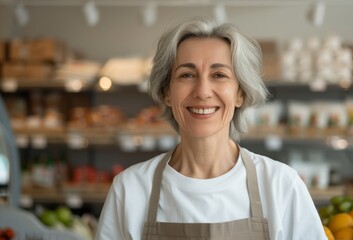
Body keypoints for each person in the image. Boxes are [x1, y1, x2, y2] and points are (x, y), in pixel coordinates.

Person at [95, 18, 327, 240]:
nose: (203, 91)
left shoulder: (281, 186)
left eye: (219, 75)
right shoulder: (130, 190)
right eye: (187, 74)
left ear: (240, 93)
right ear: (167, 92)